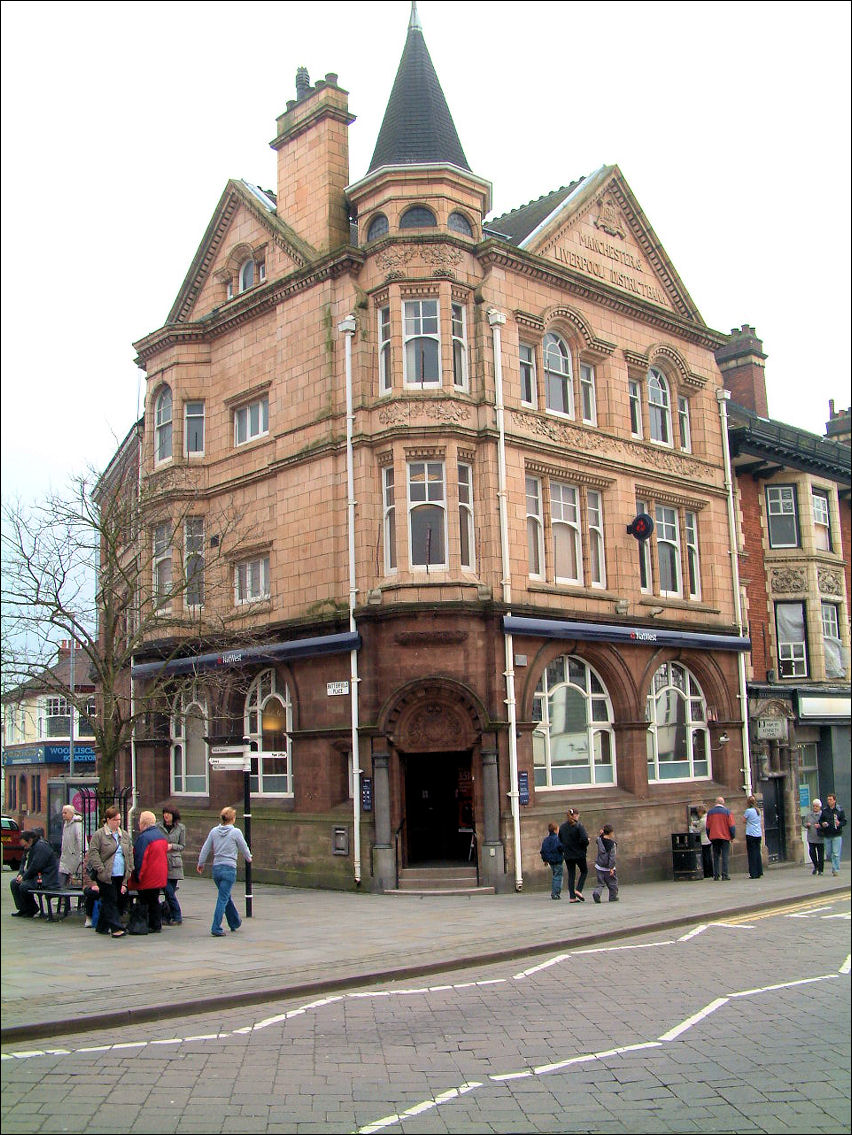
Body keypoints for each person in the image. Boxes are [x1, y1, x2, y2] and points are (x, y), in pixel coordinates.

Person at [197, 806, 252, 936]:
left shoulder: (214, 831)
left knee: (225, 895)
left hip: (216, 869)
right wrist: (248, 857)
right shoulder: (236, 832)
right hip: (229, 868)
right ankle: (216, 927)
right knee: (222, 898)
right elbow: (244, 847)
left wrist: (201, 863)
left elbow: (205, 848)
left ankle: (234, 922)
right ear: (232, 818)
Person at [87, 806, 134, 938]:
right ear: (108, 820)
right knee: (110, 899)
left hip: (120, 873)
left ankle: (102, 926)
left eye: (119, 819)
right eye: (114, 820)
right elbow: (93, 852)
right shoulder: (99, 835)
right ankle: (116, 928)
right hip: (106, 874)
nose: (117, 822)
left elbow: (129, 853)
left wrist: (129, 869)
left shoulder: (124, 835)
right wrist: (100, 868)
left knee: (120, 900)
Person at [129, 811, 169, 932]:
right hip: (159, 875)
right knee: (154, 900)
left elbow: (141, 859)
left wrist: (137, 876)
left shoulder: (144, 838)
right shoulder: (161, 836)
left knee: (145, 901)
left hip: (148, 877)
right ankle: (156, 924)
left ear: (143, 823)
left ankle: (145, 924)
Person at [10, 830, 60, 917]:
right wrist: (20, 875)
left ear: (30, 840)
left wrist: (24, 877)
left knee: (24, 886)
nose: (24, 848)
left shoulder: (41, 847)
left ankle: (32, 908)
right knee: (14, 883)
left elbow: (36, 866)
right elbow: (23, 863)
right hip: (35, 876)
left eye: (25, 845)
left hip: (46, 877)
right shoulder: (29, 848)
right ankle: (23, 908)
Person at [157, 806, 186, 925]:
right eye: (164, 813)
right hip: (162, 862)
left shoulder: (180, 828)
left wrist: (172, 846)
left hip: (174, 863)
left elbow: (182, 846)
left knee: (170, 892)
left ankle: (168, 916)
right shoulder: (157, 827)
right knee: (168, 890)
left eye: (168, 814)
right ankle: (177, 914)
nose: (166, 816)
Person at [558, 808, 589, 902]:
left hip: (568, 854)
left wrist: (564, 849)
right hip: (579, 853)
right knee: (584, 871)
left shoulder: (562, 827)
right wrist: (585, 843)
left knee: (571, 875)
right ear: (575, 815)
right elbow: (584, 839)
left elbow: (560, 840)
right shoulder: (579, 826)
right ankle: (578, 890)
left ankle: (572, 897)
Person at [58, 804, 83, 916]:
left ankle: (81, 903)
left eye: (65, 812)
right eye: (63, 812)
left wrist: (82, 855)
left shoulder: (77, 824)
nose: (63, 815)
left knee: (77, 881)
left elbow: (80, 840)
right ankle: (64, 903)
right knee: (62, 881)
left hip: (75, 857)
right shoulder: (66, 824)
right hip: (66, 857)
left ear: (72, 813)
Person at [705, 796, 736, 880]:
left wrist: (709, 836)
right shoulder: (727, 812)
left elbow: (707, 827)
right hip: (725, 836)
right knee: (725, 856)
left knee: (715, 856)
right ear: (723, 803)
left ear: (715, 802)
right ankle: (725, 874)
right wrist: (732, 836)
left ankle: (716, 875)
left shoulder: (710, 813)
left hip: (714, 836)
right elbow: (732, 826)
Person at [819, 794, 846, 876]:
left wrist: (839, 823)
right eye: (828, 799)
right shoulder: (824, 810)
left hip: (837, 834)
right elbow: (820, 820)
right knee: (829, 853)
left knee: (836, 853)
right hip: (827, 834)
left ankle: (835, 869)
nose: (829, 801)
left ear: (834, 800)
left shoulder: (839, 810)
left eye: (830, 799)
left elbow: (844, 821)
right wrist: (822, 823)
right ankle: (834, 864)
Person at [592, 824, 618, 903]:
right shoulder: (612, 844)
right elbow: (612, 857)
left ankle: (597, 893)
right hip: (608, 867)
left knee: (600, 883)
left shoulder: (600, 840)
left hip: (599, 866)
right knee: (613, 883)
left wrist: (601, 835)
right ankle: (613, 897)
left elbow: (597, 840)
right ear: (610, 833)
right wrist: (611, 868)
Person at [540, 822, 563, 900]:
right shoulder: (557, 839)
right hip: (557, 859)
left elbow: (543, 850)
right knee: (558, 876)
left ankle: (555, 892)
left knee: (555, 875)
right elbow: (560, 847)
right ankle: (556, 893)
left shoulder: (546, 840)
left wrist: (545, 860)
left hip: (551, 861)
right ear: (555, 830)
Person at [743, 796, 763, 879]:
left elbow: (743, 820)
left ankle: (753, 873)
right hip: (758, 833)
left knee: (752, 854)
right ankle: (759, 871)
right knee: (757, 852)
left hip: (750, 833)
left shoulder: (748, 811)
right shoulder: (758, 810)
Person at [803, 799, 825, 876]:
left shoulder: (823, 814)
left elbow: (826, 824)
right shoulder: (809, 815)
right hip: (811, 837)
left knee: (820, 854)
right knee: (812, 853)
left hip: (820, 837)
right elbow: (804, 823)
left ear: (820, 807)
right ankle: (816, 866)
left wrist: (820, 826)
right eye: (814, 806)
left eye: (817, 806)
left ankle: (821, 869)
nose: (815, 808)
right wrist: (807, 825)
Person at [692, 805, 714, 879]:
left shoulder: (702, 820)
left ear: (700, 812)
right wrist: (695, 822)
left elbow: (698, 830)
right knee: (709, 856)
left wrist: (691, 827)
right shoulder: (707, 817)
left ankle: (706, 873)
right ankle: (711, 872)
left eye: (698, 812)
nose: (698, 814)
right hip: (708, 839)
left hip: (703, 840)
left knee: (705, 857)